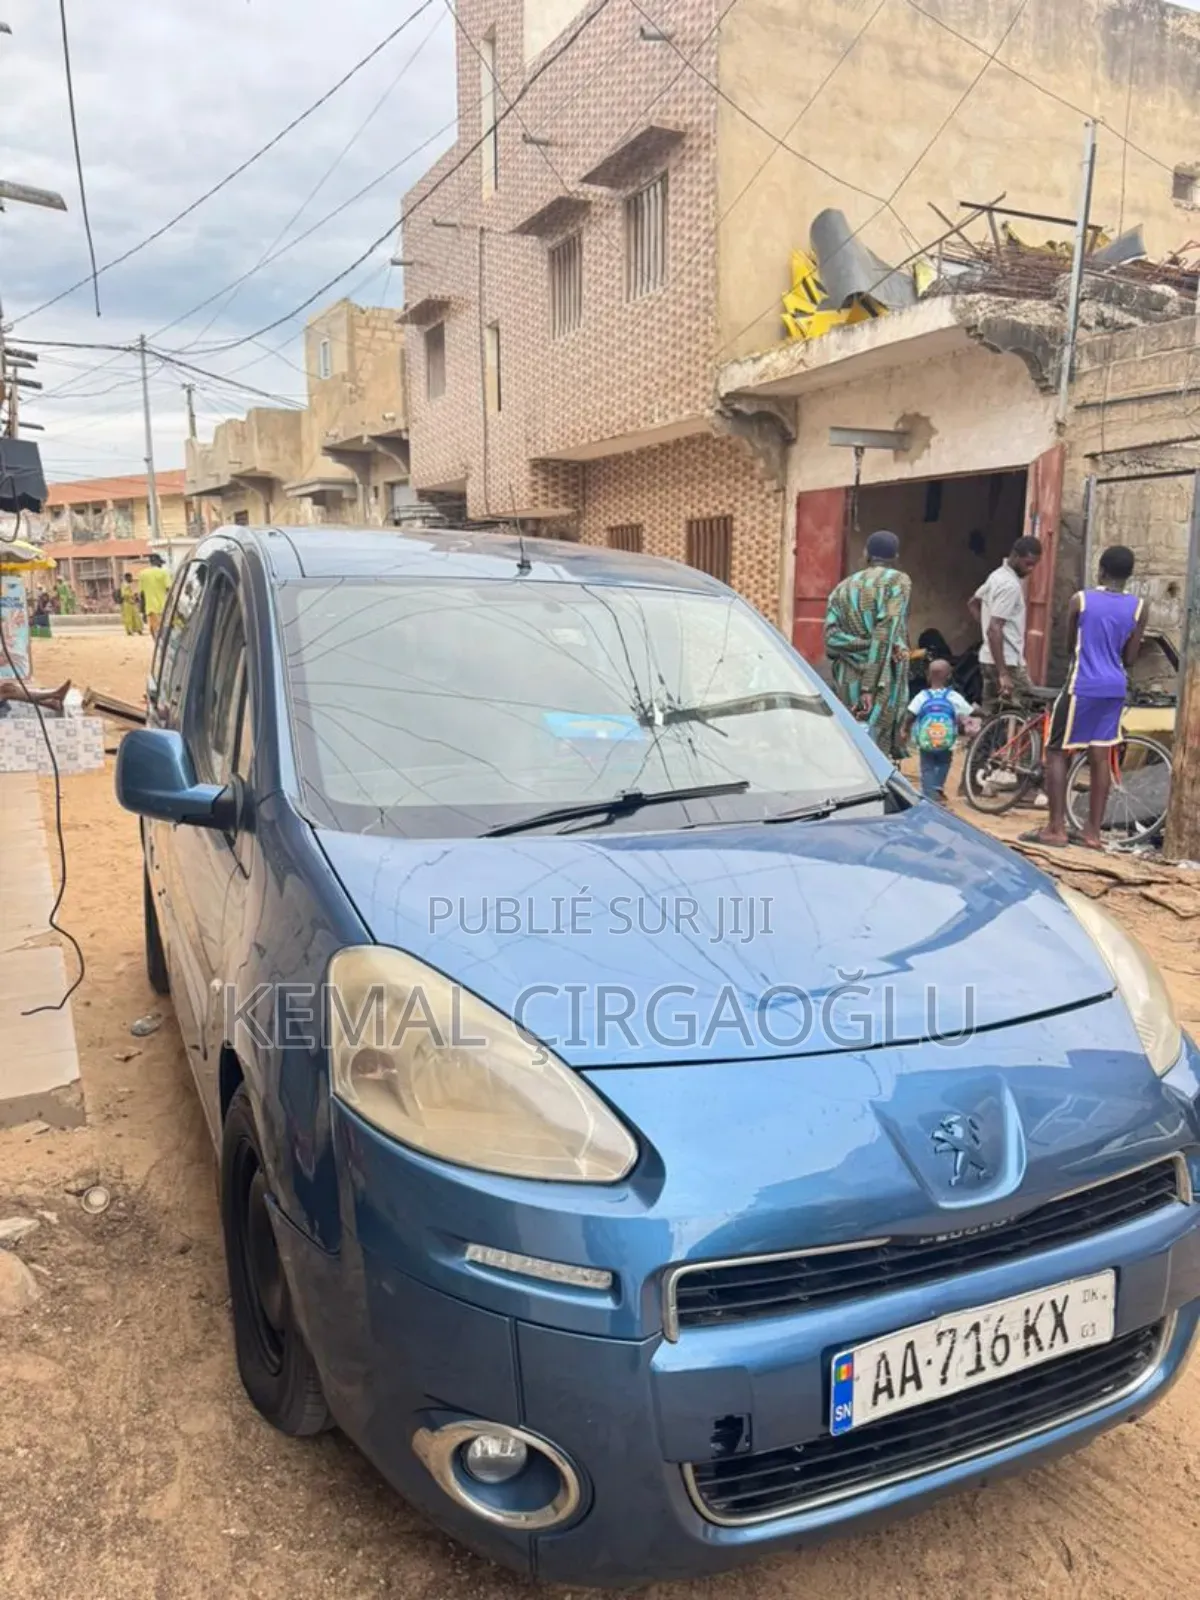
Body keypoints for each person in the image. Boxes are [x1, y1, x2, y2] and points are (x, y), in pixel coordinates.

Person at [1024, 544, 1147, 851]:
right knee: (1100, 755)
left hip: (1083, 685)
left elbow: (1069, 645)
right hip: (1115, 687)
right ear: (1129, 575)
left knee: (1055, 750)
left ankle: (1056, 828)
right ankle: (1092, 833)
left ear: (1101, 570)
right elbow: (1131, 656)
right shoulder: (1139, 607)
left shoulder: (1081, 600)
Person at [824, 529, 912, 757]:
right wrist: (869, 686)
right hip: (882, 679)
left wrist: (861, 645)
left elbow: (831, 639)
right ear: (895, 556)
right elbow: (885, 633)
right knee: (877, 752)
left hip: (848, 678)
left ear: (866, 553)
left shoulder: (841, 588)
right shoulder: (898, 581)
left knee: (851, 746)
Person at [968, 535, 1043, 713]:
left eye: (1035, 564)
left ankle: (987, 741)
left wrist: (985, 625)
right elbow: (995, 629)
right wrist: (1003, 673)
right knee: (1032, 709)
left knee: (992, 715)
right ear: (1015, 556)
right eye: (1028, 563)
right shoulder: (1010, 586)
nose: (1031, 569)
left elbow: (972, 603)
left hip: (988, 658)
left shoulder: (996, 576)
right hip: (1007, 662)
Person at [902, 658, 978, 804]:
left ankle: (928, 793)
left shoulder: (922, 696)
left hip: (925, 740)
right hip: (946, 741)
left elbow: (910, 715)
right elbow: (968, 711)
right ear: (949, 676)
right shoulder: (952, 696)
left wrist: (905, 729)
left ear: (928, 676)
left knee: (927, 766)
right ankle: (937, 788)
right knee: (944, 762)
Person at [137, 554, 171, 638]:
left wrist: (143, 612)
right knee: (165, 633)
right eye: (160, 563)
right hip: (164, 608)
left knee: (155, 633)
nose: (161, 565)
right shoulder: (164, 573)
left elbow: (142, 595)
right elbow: (169, 590)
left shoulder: (142, 574)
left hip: (150, 609)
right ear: (157, 562)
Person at [119, 572, 144, 636]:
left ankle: (139, 630)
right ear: (127, 578)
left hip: (132, 603)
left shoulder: (128, 585)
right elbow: (124, 594)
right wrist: (133, 595)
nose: (132, 579)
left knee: (137, 617)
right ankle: (130, 631)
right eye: (130, 577)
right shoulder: (124, 585)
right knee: (128, 618)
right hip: (127, 604)